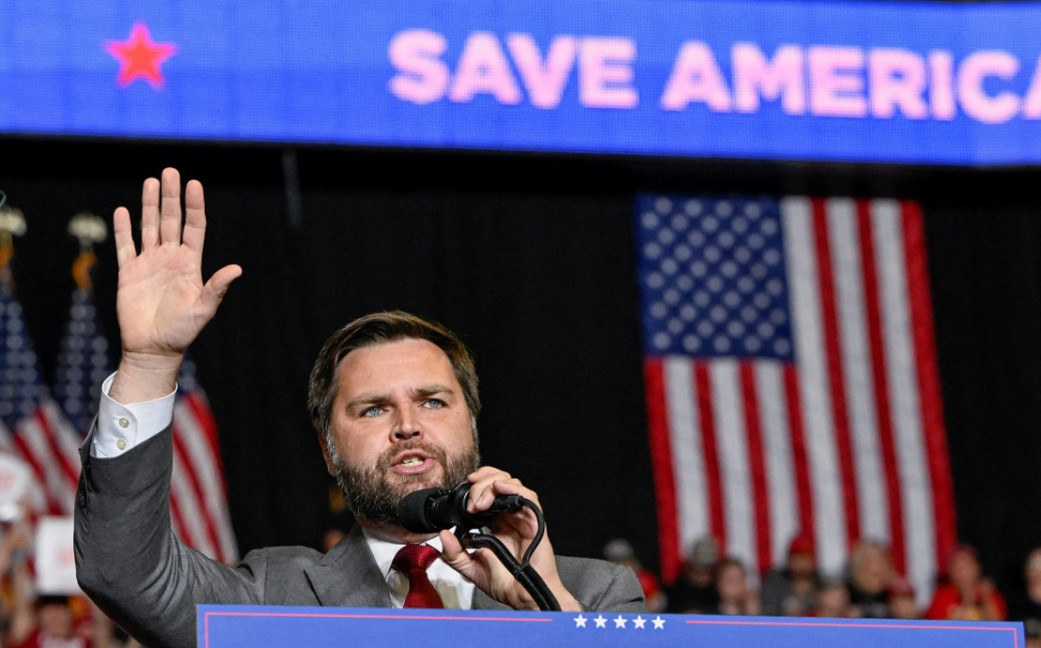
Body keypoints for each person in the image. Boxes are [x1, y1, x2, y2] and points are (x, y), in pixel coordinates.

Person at [73, 169, 646, 648]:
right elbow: (123, 573)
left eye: (433, 401)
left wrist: (543, 605)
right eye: (372, 410)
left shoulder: (595, 596)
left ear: (471, 423)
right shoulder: (274, 595)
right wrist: (149, 363)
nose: (407, 426)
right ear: (327, 449)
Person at [924, 544, 1006, 621]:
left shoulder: (988, 594)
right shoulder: (942, 596)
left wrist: (986, 599)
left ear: (977, 568)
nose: (962, 572)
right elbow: (935, 627)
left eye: (966, 566)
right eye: (958, 568)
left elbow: (999, 624)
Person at [760, 534, 818, 616]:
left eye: (806, 558)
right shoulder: (775, 583)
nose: (802, 563)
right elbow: (767, 613)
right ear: (789, 560)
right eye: (798, 557)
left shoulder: (821, 584)